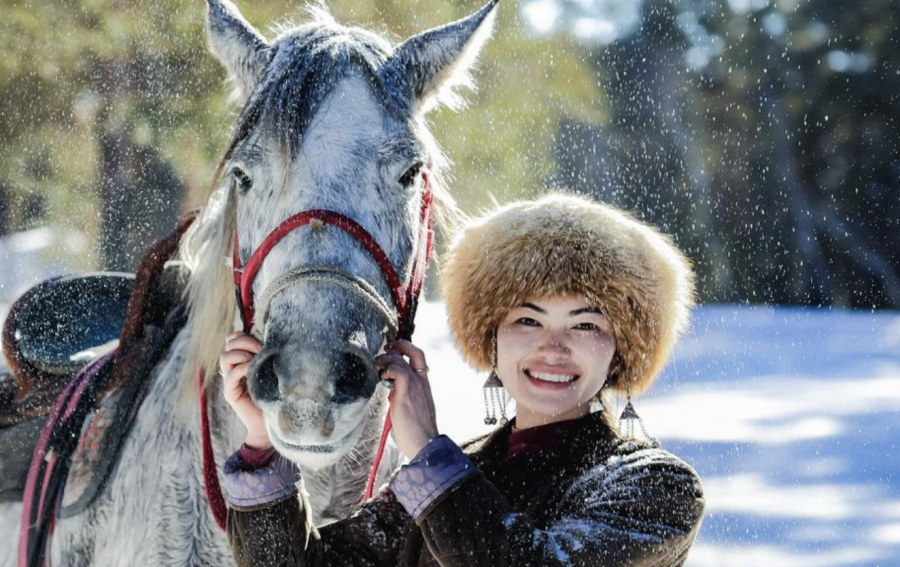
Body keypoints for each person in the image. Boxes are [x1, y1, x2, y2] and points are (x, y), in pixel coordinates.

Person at [219, 193, 705, 566]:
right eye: (528, 321)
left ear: (620, 348)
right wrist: (262, 445)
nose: (553, 348)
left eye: (585, 325)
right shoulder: (442, 481)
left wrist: (428, 449)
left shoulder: (656, 487)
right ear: (491, 340)